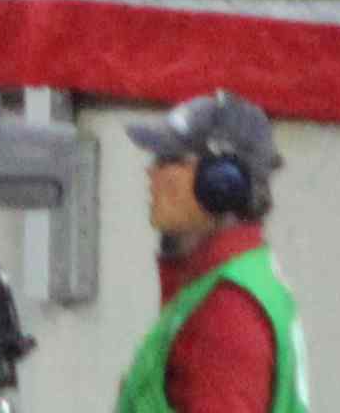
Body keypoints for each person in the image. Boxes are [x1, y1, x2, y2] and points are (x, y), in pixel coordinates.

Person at [119, 91, 305, 413]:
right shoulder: (221, 285)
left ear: (220, 182)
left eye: (168, 160)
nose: (151, 174)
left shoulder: (227, 312)